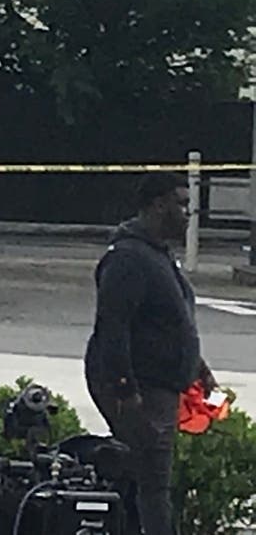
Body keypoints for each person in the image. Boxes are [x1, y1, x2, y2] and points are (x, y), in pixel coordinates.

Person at [85, 172, 217, 535]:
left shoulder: (158, 255)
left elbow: (169, 320)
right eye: (182, 204)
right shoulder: (128, 258)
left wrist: (198, 368)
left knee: (143, 477)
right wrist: (126, 390)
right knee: (152, 481)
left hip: (163, 384)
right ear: (159, 205)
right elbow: (113, 327)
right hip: (140, 387)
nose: (189, 212)